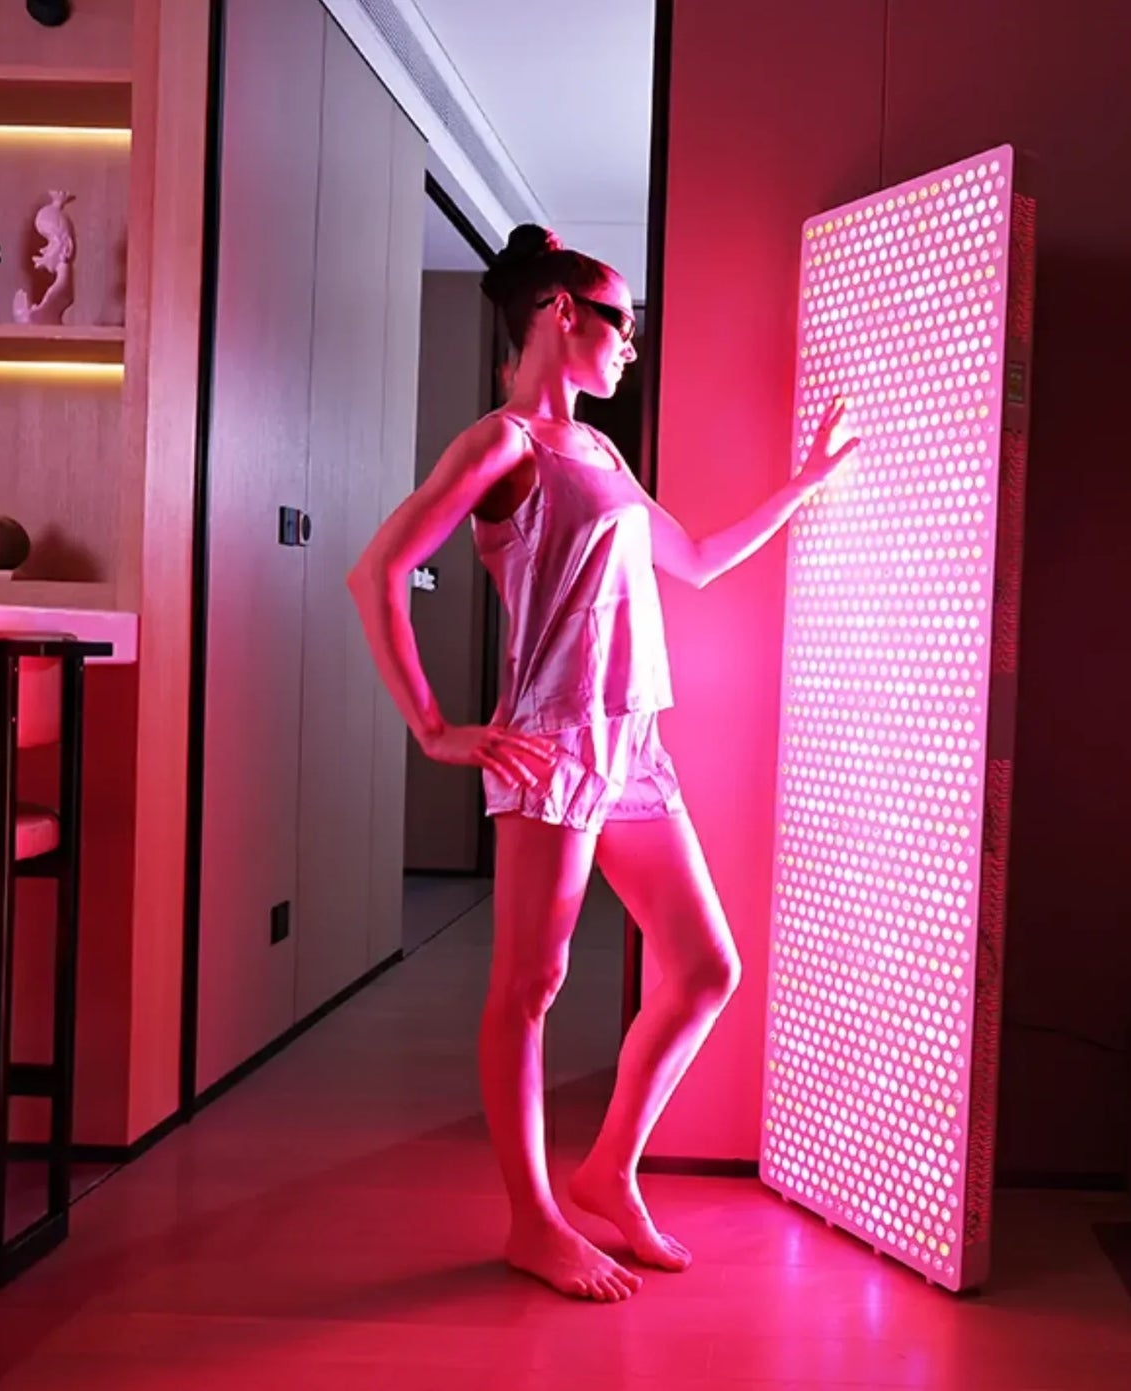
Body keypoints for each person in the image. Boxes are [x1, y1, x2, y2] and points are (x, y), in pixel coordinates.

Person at [347, 225, 859, 1302]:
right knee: (531, 985)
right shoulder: (501, 444)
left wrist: (804, 486)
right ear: (560, 314)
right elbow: (378, 571)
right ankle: (532, 1219)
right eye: (620, 321)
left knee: (705, 965)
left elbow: (701, 561)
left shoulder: (603, 453)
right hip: (551, 738)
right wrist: (434, 726)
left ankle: (607, 1168)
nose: (632, 344)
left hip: (632, 741)